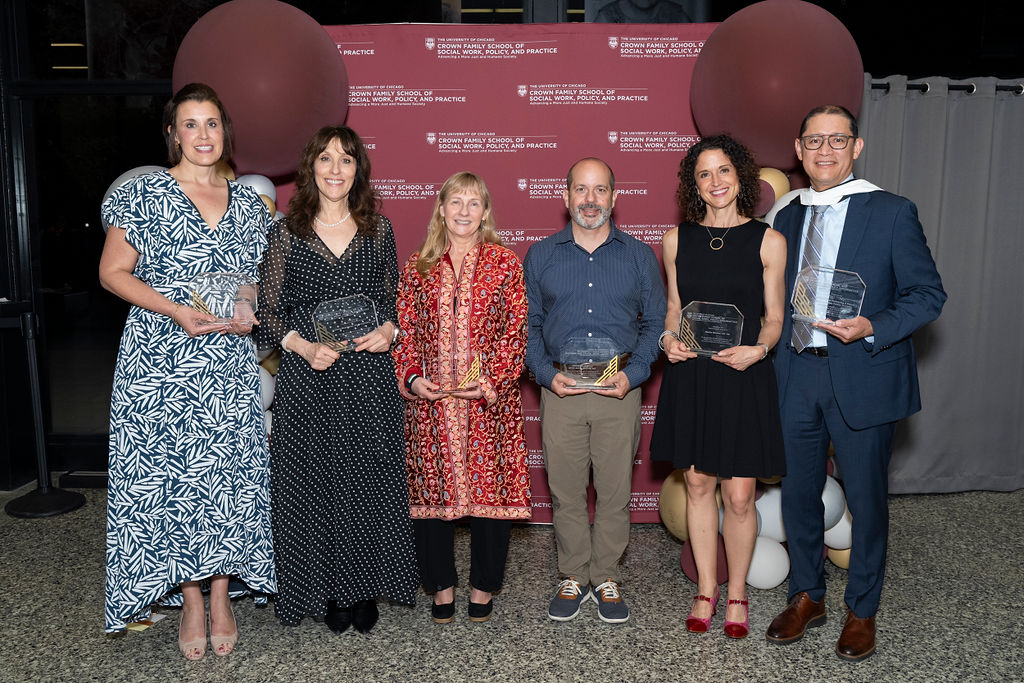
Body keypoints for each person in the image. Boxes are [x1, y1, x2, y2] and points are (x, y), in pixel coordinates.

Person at [98, 83, 276, 659]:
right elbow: (113, 273)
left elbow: (254, 277)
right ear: (173, 133)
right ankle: (191, 600)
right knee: (171, 482)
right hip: (161, 359)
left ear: (226, 132)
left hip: (227, 362)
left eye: (212, 124)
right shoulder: (145, 194)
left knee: (227, 481)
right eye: (191, 124)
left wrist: (249, 307)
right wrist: (176, 309)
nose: (203, 135)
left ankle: (223, 595)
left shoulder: (250, 205)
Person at [765, 105, 946, 660]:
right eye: (814, 141)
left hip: (864, 372)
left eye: (836, 140)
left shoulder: (892, 211)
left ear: (856, 147)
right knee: (797, 493)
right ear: (798, 149)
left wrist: (874, 326)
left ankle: (862, 610)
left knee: (866, 499)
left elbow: (926, 294)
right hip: (795, 372)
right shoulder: (785, 217)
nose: (825, 151)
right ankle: (807, 595)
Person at [255, 126, 418, 634]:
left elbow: (392, 304)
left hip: (367, 379)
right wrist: (302, 346)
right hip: (309, 378)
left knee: (368, 483)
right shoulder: (285, 233)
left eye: (346, 161)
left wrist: (388, 331)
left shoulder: (379, 231)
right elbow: (269, 312)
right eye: (325, 159)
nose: (334, 170)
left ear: (357, 171)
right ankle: (325, 590)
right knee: (315, 485)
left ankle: (364, 586)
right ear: (311, 167)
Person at [650, 135, 787, 638]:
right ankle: (706, 588)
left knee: (740, 496)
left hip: (743, 375)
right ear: (695, 185)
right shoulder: (675, 240)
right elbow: (673, 309)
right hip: (693, 375)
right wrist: (668, 339)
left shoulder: (769, 241)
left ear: (740, 176)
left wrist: (760, 348)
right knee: (700, 485)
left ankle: (737, 593)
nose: (716, 182)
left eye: (724, 171)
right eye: (704, 174)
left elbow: (774, 318)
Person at [524, 157, 666, 624]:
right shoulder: (541, 255)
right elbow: (528, 325)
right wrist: (545, 374)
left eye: (600, 190)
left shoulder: (639, 255)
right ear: (566, 198)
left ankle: (604, 576)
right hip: (561, 388)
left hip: (618, 390)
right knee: (565, 491)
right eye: (581, 190)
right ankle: (572, 575)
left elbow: (654, 326)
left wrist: (637, 372)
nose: (590, 199)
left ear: (614, 197)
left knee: (614, 491)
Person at [392, 172, 531, 624]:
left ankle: (484, 587)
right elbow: (405, 335)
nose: (465, 211)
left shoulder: (506, 264)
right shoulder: (418, 267)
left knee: (491, 498)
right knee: (432, 503)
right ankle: (440, 586)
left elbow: (516, 333)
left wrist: (491, 382)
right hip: (431, 406)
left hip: (488, 405)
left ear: (486, 211)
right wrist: (412, 379)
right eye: (456, 202)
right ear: (442, 209)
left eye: (474, 203)